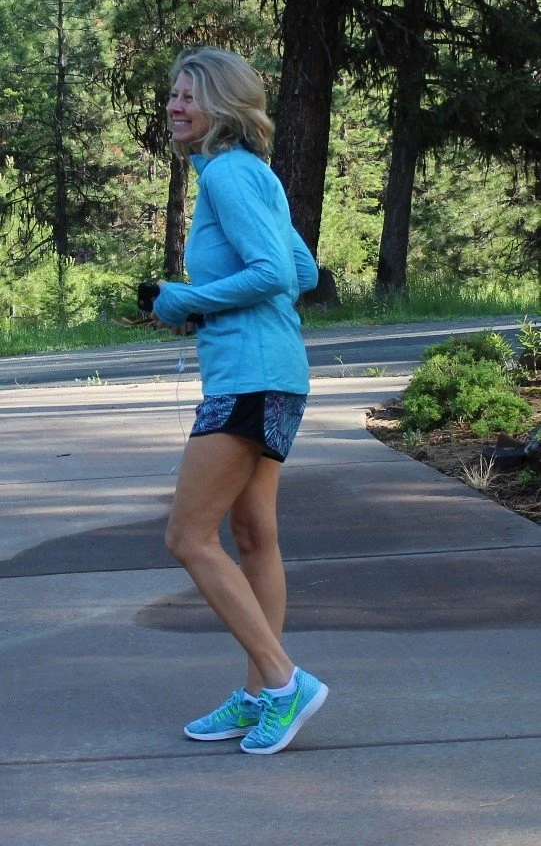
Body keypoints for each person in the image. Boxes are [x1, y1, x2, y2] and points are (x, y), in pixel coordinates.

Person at [151, 46, 328, 755]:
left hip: (249, 380)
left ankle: (285, 684)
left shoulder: (227, 173)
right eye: (173, 94)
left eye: (189, 96)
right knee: (253, 536)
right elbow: (303, 270)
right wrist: (208, 301)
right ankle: (260, 696)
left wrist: (185, 300)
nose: (175, 105)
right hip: (276, 374)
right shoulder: (252, 172)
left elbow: (271, 272)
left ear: (221, 104)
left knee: (188, 537)